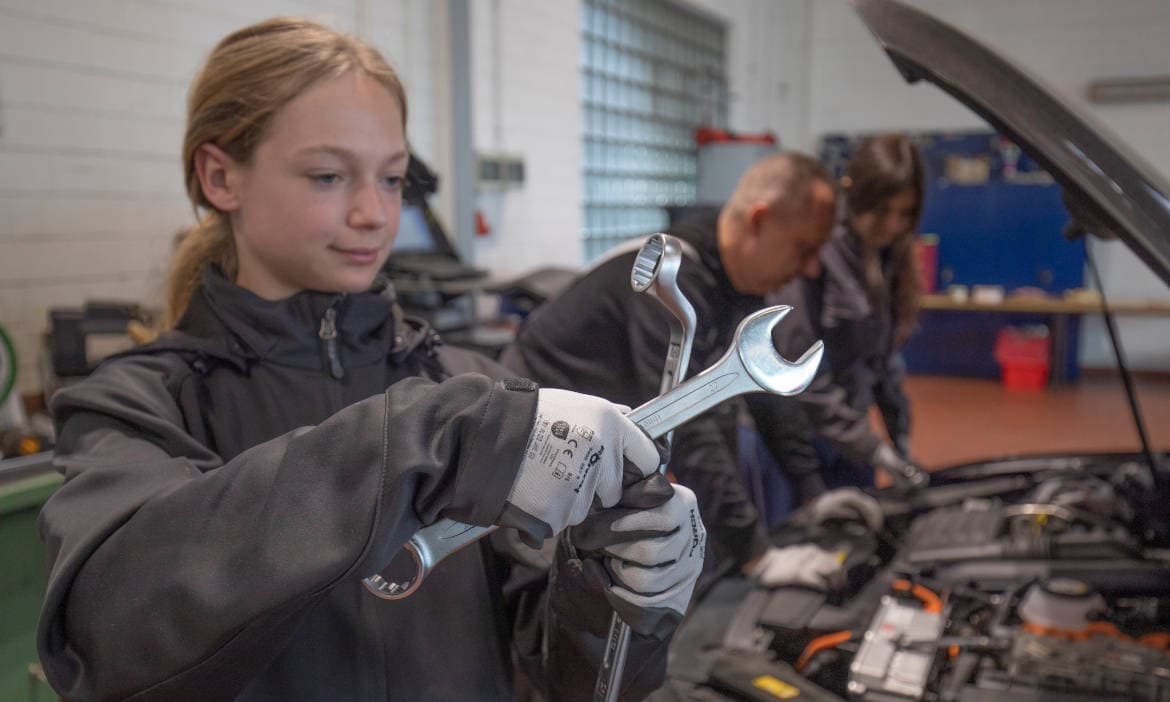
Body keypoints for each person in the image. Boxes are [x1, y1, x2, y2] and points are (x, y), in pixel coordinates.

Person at [36, 18, 704, 702]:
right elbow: (110, 639)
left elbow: (563, 674)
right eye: (328, 175)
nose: (374, 213)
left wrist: (615, 596)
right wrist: (422, 440)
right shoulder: (135, 406)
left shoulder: (470, 384)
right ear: (219, 177)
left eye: (393, 179)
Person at [500, 152, 837, 583]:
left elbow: (765, 398)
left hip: (600, 425)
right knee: (553, 588)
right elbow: (688, 425)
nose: (810, 268)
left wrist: (812, 494)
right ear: (759, 220)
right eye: (805, 248)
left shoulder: (735, 284)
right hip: (536, 429)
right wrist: (758, 557)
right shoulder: (671, 285)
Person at [767, 133, 930, 490]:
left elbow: (883, 360)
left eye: (904, 213)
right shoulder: (817, 251)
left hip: (851, 440)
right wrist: (874, 448)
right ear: (856, 195)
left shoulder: (885, 256)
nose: (892, 225)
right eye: (882, 211)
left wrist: (898, 440)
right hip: (799, 447)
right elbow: (797, 371)